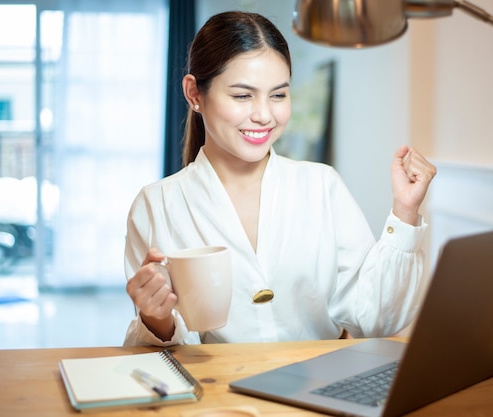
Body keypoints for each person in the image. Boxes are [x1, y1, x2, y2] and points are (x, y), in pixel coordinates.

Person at [123, 11, 436, 346]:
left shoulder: (322, 186)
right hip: (217, 391)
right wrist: (156, 318)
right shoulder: (156, 205)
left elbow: (376, 320)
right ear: (194, 94)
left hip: (317, 387)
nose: (264, 115)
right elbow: (164, 356)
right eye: (242, 95)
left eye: (278, 94)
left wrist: (405, 212)